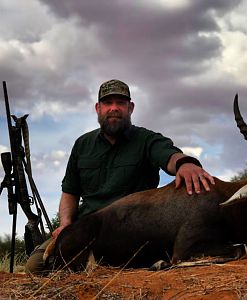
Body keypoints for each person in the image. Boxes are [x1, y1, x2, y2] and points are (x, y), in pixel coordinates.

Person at [25, 79, 215, 274]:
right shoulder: (82, 144)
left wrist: (185, 163)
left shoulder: (146, 139)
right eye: (108, 103)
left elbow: (169, 155)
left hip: (131, 229)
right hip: (86, 227)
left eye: (120, 103)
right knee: (36, 266)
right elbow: (70, 192)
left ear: (130, 108)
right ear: (98, 108)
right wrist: (65, 224)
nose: (114, 108)